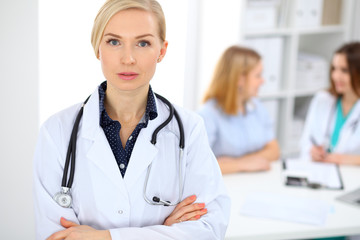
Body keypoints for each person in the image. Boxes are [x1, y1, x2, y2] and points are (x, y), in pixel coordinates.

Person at [33, 0, 230, 239]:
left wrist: (104, 237)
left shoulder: (189, 128)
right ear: (97, 48)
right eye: (114, 42)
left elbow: (209, 229)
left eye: (143, 43)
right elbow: (58, 236)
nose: (128, 58)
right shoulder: (57, 132)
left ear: (162, 50)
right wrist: (167, 232)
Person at [198, 46, 280, 174]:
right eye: (258, 76)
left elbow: (274, 151)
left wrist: (237, 163)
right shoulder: (208, 115)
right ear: (240, 79)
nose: (262, 81)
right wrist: (243, 164)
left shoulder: (257, 107)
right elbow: (199, 166)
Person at [300, 42, 360, 165]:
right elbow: (306, 140)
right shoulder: (322, 99)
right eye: (334, 68)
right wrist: (312, 151)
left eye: (344, 70)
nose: (335, 76)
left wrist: (343, 159)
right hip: (321, 172)